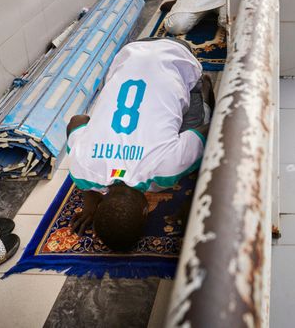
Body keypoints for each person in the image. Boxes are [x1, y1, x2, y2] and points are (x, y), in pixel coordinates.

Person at [66, 38, 213, 249]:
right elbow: (77, 121)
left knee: (199, 128)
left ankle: (203, 87)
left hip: (177, 54)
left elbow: (211, 131)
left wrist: (193, 202)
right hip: (129, 53)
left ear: (146, 211)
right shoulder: (81, 168)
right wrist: (90, 201)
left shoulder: (166, 167)